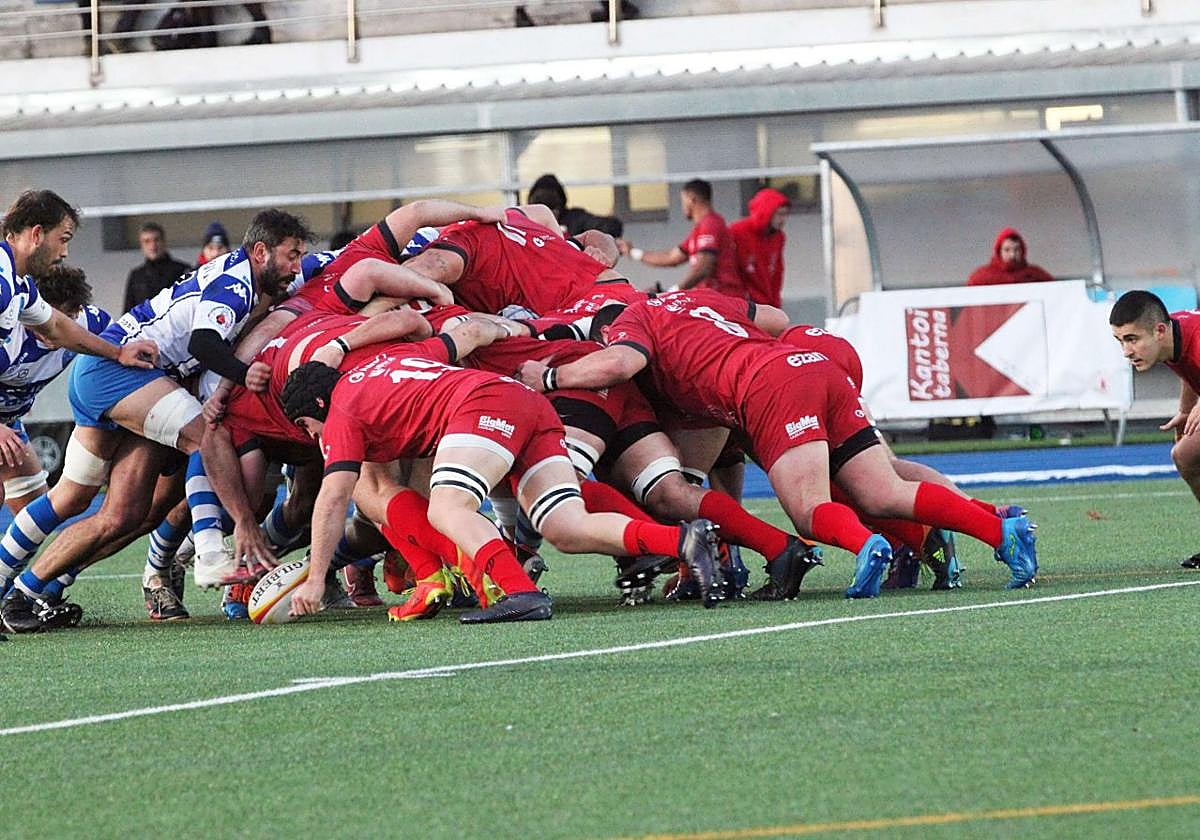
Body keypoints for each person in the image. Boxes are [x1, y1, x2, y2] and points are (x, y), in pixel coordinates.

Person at [515, 290, 1039, 598]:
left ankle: (868, 547)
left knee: (813, 510)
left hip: (769, 388)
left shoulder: (631, 323)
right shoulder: (694, 298)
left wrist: (550, 380)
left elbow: (620, 362)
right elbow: (773, 319)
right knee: (883, 487)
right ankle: (1000, 528)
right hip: (811, 365)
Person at [0, 210, 311, 634]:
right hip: (104, 387)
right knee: (205, 439)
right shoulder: (13, 315)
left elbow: (108, 335)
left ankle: (30, 591)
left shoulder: (85, 323)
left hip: (130, 380)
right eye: (62, 238)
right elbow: (202, 343)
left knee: (121, 513)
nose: (65, 249)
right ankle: (207, 554)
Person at [1109, 290, 1200, 568]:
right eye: (1120, 341)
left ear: (1159, 330)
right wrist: (1185, 411)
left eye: (1132, 339)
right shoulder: (1172, 339)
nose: (1126, 351)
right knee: (1185, 455)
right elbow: (1191, 370)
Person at [620, 179, 744, 298]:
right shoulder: (700, 229)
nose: (682, 207)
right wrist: (633, 252)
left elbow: (704, 266)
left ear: (691, 199)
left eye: (683, 201)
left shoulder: (710, 224)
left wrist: (673, 292)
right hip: (712, 298)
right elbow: (671, 257)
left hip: (723, 299)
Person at [730, 188, 790, 308]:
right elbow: (728, 269)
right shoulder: (737, 232)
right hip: (743, 303)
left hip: (765, 302)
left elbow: (777, 272)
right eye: (780, 214)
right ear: (766, 212)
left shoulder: (778, 237)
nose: (783, 220)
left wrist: (776, 304)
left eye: (785, 214)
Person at [527, 174, 623, 238]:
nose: (547, 219)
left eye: (551, 212)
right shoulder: (523, 223)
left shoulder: (574, 219)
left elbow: (611, 227)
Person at [123, 222, 190, 314]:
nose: (152, 246)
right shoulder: (136, 276)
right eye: (147, 241)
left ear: (164, 241)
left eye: (156, 240)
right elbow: (128, 311)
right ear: (141, 245)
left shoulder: (182, 270)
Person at [967, 227, 1054, 286]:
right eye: (1007, 250)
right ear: (999, 252)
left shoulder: (1036, 275)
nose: (1012, 254)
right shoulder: (982, 277)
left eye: (1016, 250)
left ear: (1022, 251)